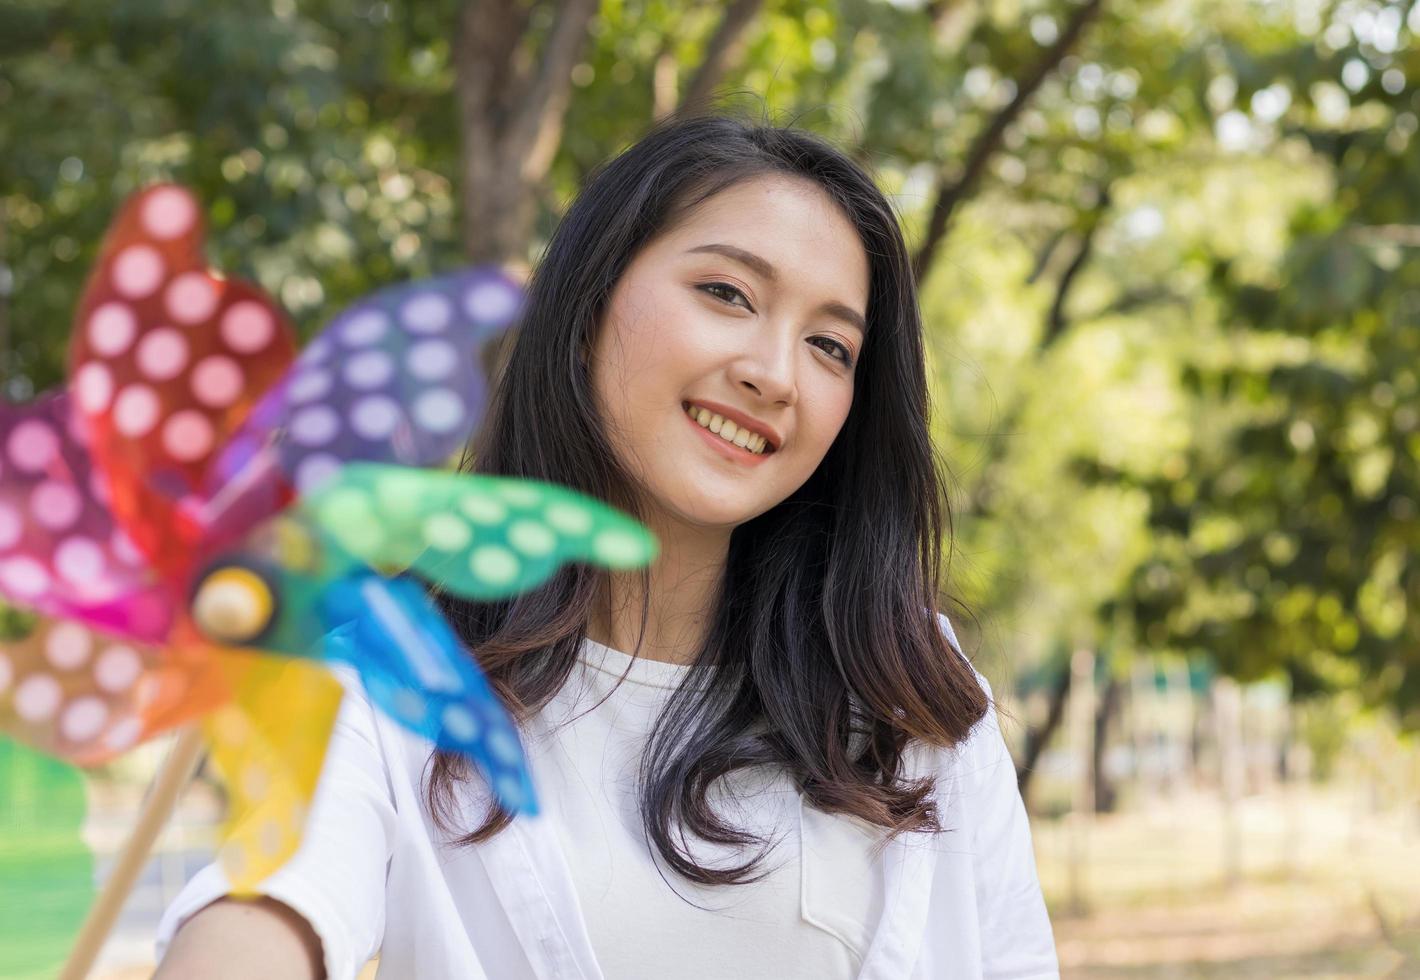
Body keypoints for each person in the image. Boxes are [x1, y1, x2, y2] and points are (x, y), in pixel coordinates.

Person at [154, 111, 1059, 980]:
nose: (773, 374)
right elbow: (276, 898)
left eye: (830, 346)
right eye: (725, 293)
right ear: (589, 309)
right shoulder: (386, 678)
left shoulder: (915, 699)